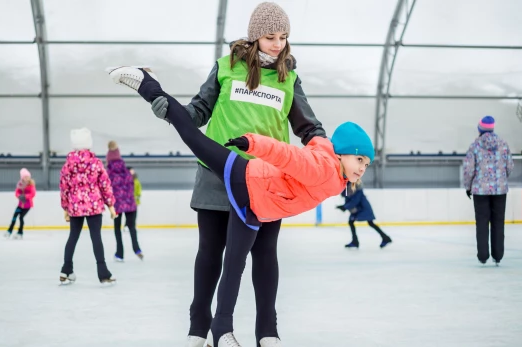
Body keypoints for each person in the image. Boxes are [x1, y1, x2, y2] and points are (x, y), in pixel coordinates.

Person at [106, 66, 374, 346]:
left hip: (259, 199)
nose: (362, 169)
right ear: (342, 154)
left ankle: (227, 330)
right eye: (359, 161)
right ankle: (148, 85)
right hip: (248, 182)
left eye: (366, 165)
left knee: (236, 261)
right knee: (193, 139)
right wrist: (252, 142)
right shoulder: (322, 168)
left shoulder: (331, 164)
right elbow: (287, 155)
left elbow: (316, 136)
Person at [148, 3, 325, 346]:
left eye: (284, 37)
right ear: (255, 36)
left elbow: (307, 125)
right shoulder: (226, 67)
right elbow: (198, 111)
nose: (278, 43)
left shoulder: (289, 75)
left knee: (265, 253)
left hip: (268, 180)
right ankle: (198, 328)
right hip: (217, 172)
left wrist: (328, 150)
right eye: (270, 36)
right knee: (211, 252)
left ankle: (267, 331)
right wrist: (171, 112)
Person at [59, 128, 118, 284]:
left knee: (73, 237)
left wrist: (65, 208)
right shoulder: (95, 163)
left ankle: (66, 269)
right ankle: (103, 272)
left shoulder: (68, 165)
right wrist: (111, 206)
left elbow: (64, 187)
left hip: (75, 207)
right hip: (94, 205)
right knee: (96, 238)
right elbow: (105, 184)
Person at [463, 115, 514, 265]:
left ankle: (483, 255)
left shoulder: (475, 146)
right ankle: (498, 256)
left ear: (480, 129)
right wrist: (501, 179)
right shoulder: (503, 144)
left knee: (482, 222)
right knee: (498, 222)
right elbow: (510, 166)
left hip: (480, 190)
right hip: (500, 190)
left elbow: (469, 169)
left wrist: (468, 186)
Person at [107, 141, 143, 261]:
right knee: (132, 227)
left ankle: (119, 253)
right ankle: (137, 248)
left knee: (117, 229)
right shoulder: (126, 171)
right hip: (130, 204)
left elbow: (107, 189)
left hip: (117, 205)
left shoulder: (109, 173)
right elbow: (132, 185)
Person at [336, 183, 392, 248]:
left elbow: (355, 200)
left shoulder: (357, 189)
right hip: (357, 209)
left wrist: (345, 207)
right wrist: (344, 206)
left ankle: (385, 238)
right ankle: (355, 241)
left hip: (363, 209)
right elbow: (348, 199)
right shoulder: (347, 189)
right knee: (355, 222)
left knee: (369, 223)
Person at [5, 168, 36, 240]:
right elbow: (16, 192)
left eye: (28, 177)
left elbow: (33, 194)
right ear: (22, 178)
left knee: (21, 217)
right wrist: (19, 196)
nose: (27, 178)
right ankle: (9, 231)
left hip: (27, 206)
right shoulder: (20, 184)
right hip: (20, 205)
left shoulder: (31, 185)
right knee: (14, 216)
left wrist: (25, 196)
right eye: (25, 177)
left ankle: (20, 232)